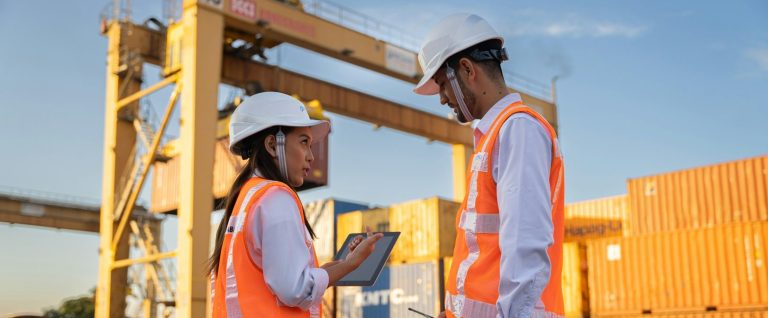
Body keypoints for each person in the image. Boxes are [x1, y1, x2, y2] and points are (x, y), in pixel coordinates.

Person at [413, 14, 566, 318]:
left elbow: (526, 246)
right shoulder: (494, 137)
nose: (442, 99)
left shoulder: (518, 130)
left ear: (467, 69)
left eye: (443, 85)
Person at [208, 92, 382, 318]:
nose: (311, 156)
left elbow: (287, 279)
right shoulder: (276, 197)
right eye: (304, 142)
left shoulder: (245, 198)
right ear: (272, 145)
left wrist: (344, 263)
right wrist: (352, 264)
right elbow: (296, 289)